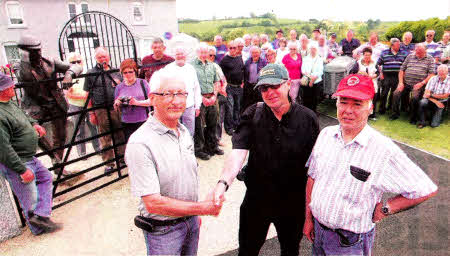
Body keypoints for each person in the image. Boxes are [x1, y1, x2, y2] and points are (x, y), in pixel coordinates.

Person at [303, 74, 438, 255]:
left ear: (370, 108)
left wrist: (386, 208)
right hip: (318, 231)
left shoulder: (382, 149)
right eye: (343, 102)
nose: (348, 110)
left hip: (349, 244)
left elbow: (425, 189)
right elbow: (313, 176)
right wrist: (308, 218)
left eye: (357, 104)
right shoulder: (326, 135)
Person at [209, 64, 320, 256]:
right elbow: (238, 153)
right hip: (257, 200)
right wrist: (222, 183)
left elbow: (316, 167)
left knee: (290, 250)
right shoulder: (253, 114)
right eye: (264, 88)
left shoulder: (308, 119)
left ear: (287, 85)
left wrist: (311, 209)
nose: (269, 92)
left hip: (292, 202)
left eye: (274, 86)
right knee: (247, 251)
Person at [125, 71, 224, 256]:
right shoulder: (140, 143)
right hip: (164, 232)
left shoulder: (183, 131)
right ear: (152, 98)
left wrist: (193, 217)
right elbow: (153, 203)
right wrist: (202, 209)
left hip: (190, 222)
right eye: (168, 94)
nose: (177, 101)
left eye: (181, 94)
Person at [0, 74, 62, 235]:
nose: (13, 86)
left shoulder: (10, 104)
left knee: (46, 178)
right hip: (18, 162)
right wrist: (21, 170)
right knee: (29, 198)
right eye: (9, 85)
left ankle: (40, 216)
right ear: (1, 90)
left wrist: (34, 125)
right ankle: (38, 230)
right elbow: (3, 148)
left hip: (29, 157)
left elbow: (25, 117)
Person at [14, 35, 82, 177]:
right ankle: (54, 158)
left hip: (55, 103)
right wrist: (26, 59)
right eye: (34, 52)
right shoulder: (20, 67)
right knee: (35, 133)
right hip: (35, 105)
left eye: (39, 50)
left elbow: (76, 66)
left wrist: (69, 74)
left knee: (61, 136)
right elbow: (25, 76)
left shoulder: (49, 61)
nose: (38, 53)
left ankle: (59, 165)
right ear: (25, 53)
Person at [84, 47, 125, 175]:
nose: (103, 59)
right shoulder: (91, 73)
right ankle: (109, 163)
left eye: (105, 57)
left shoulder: (116, 72)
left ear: (109, 57)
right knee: (104, 137)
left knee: (120, 134)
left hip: (116, 107)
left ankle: (122, 159)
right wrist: (91, 113)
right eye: (100, 57)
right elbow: (87, 95)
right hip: (100, 109)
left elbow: (124, 89)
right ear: (96, 58)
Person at [66, 52, 101, 158]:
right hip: (75, 105)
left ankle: (98, 148)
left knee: (94, 127)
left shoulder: (88, 73)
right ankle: (82, 153)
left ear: (83, 62)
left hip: (89, 104)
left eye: (78, 61)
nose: (76, 63)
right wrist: (82, 96)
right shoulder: (68, 76)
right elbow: (66, 92)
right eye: (73, 62)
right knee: (79, 129)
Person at [191, 43, 223, 160]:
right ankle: (200, 149)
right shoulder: (191, 66)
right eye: (202, 52)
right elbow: (191, 85)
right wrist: (201, 98)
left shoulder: (212, 66)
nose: (204, 55)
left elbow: (216, 82)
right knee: (199, 125)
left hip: (213, 98)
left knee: (213, 123)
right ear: (197, 52)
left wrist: (214, 96)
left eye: (206, 52)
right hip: (200, 99)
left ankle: (213, 146)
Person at [162, 46, 202, 136]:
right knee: (174, 132)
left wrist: (197, 106)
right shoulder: (168, 69)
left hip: (189, 106)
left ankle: (189, 150)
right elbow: (163, 87)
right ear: (174, 56)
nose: (180, 56)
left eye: (182, 54)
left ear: (186, 56)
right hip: (173, 106)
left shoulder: (191, 69)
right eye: (177, 54)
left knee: (190, 133)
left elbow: (196, 88)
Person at [391, 44, 435, 123]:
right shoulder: (410, 56)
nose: (417, 54)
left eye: (420, 52)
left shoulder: (430, 59)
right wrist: (401, 83)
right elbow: (402, 70)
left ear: (425, 51)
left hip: (419, 84)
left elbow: (432, 74)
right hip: (406, 83)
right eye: (416, 51)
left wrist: (422, 83)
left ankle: (413, 117)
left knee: (415, 98)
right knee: (396, 93)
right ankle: (395, 113)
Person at [113, 59, 150, 142]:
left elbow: (152, 101)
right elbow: (116, 106)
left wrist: (136, 103)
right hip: (127, 122)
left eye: (130, 72)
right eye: (125, 72)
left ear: (135, 71)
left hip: (144, 121)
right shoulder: (119, 87)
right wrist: (118, 103)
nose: (128, 74)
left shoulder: (143, 83)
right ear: (122, 73)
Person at [376, 38, 409, 114]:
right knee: (384, 93)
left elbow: (406, 65)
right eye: (397, 45)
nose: (399, 46)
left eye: (399, 44)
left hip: (398, 76)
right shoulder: (384, 53)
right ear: (392, 45)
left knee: (394, 94)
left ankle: (391, 108)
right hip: (386, 75)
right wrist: (380, 73)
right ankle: (382, 109)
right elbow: (378, 64)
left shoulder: (404, 53)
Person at [219, 40, 245, 135]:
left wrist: (243, 82)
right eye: (231, 48)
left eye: (235, 47)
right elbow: (220, 74)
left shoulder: (239, 58)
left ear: (237, 48)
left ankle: (236, 125)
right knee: (230, 108)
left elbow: (242, 70)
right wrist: (223, 86)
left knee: (237, 107)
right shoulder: (224, 60)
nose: (233, 49)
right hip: (229, 87)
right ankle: (229, 128)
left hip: (239, 87)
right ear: (228, 48)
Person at [207, 46, 229, 143]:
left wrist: (223, 89)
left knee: (219, 118)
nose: (211, 57)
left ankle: (218, 139)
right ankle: (209, 140)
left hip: (218, 95)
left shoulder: (216, 66)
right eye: (209, 55)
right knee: (208, 120)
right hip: (207, 96)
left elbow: (223, 80)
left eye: (213, 55)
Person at [350, 47, 379, 120]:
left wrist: (371, 76)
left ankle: (372, 115)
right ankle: (362, 114)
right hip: (361, 84)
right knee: (362, 99)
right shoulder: (359, 62)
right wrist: (360, 73)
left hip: (372, 83)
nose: (367, 57)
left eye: (369, 55)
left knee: (373, 99)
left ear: (371, 55)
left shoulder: (374, 62)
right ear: (363, 55)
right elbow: (353, 72)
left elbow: (377, 73)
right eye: (366, 55)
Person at [417, 64, 450, 128]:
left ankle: (435, 116)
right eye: (439, 72)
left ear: (447, 72)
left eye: (442, 72)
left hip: (442, 101)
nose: (440, 74)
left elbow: (445, 95)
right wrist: (436, 101)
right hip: (431, 100)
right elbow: (426, 94)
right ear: (437, 71)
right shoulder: (433, 78)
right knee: (422, 102)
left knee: (434, 125)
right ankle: (422, 122)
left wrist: (431, 95)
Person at [242, 46, 267, 113]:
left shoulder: (263, 62)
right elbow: (244, 74)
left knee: (259, 103)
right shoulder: (247, 62)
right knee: (249, 103)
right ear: (250, 53)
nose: (255, 54)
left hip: (259, 86)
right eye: (253, 52)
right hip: (249, 86)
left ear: (260, 53)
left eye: (256, 52)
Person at [301, 44, 324, 112]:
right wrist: (309, 77)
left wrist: (313, 79)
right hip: (306, 81)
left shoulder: (319, 59)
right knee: (306, 98)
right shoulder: (305, 58)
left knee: (314, 99)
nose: (312, 50)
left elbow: (320, 71)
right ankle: (306, 113)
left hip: (316, 82)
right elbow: (303, 70)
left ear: (316, 50)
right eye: (311, 48)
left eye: (314, 49)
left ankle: (313, 113)